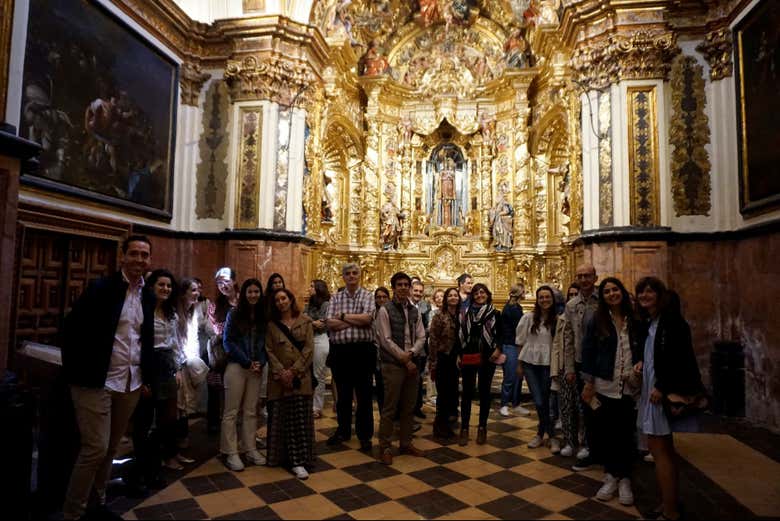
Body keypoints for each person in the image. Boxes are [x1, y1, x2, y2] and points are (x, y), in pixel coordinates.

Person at [61, 235, 154, 520]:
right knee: (95, 448)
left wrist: (146, 377)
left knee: (111, 448)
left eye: (144, 255)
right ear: (123, 256)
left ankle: (97, 504)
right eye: (134, 253)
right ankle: (73, 512)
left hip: (130, 382)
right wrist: (77, 371)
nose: (139, 259)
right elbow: (72, 330)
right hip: (96, 380)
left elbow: (144, 339)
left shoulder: (147, 296)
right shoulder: (102, 288)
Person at [636, 279, 705, 521]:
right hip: (652, 390)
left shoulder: (672, 322)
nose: (644, 295)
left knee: (660, 451)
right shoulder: (652, 322)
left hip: (659, 393)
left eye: (649, 291)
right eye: (640, 292)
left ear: (660, 295)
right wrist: (641, 363)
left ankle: (671, 511)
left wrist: (661, 386)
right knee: (662, 450)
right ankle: (668, 501)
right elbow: (654, 355)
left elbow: (680, 358)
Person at [581, 277, 643, 506]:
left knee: (625, 433)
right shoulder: (596, 320)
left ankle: (624, 479)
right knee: (607, 433)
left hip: (629, 384)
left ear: (622, 292)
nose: (611, 294)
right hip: (605, 384)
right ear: (602, 296)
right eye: (606, 291)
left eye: (615, 290)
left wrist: (640, 362)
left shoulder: (635, 319)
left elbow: (642, 346)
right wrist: (588, 381)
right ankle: (610, 476)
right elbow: (588, 351)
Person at [131, 270, 186, 493]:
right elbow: (137, 344)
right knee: (144, 422)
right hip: (148, 365)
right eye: (161, 285)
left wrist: (178, 368)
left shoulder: (170, 313)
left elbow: (174, 343)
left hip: (167, 366)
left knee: (167, 420)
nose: (165, 289)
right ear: (152, 286)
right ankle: (141, 471)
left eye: (169, 286)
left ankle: (155, 464)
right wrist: (142, 378)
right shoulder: (143, 311)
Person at [376, 272, 428, 465]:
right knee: (390, 408)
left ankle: (406, 443)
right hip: (393, 364)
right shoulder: (385, 310)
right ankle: (385, 446)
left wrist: (412, 353)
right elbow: (385, 339)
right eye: (400, 284)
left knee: (409, 407)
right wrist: (404, 358)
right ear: (394, 287)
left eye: (406, 284)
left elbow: (422, 336)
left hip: (412, 363)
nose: (404, 287)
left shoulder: (415, 310)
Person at [326, 263, 376, 451]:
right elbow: (330, 323)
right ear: (343, 277)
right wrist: (356, 320)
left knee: (364, 395)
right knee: (343, 395)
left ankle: (365, 435)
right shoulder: (335, 297)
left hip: (363, 351)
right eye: (348, 273)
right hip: (341, 352)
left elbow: (368, 319)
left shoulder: (367, 296)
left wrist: (342, 316)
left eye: (355, 273)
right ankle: (343, 430)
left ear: (359, 275)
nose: (352, 276)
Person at [266, 289, 316, 480]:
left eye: (283, 298)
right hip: (279, 381)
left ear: (290, 299)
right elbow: (269, 350)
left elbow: (309, 349)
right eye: (277, 300)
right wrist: (282, 372)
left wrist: (294, 371)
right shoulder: (271, 325)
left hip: (300, 378)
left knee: (300, 419)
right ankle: (281, 457)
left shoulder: (305, 321)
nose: (281, 302)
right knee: (281, 418)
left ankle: (300, 460)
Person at [220, 279, 268, 472]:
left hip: (256, 368)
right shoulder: (234, 314)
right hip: (237, 366)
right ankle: (230, 451)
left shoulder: (263, 316)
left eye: (256, 291)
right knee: (231, 411)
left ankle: (250, 448)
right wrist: (246, 361)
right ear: (244, 294)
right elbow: (228, 342)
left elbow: (266, 343)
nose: (253, 295)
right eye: (250, 291)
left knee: (250, 411)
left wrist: (260, 362)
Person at [563, 264, 600, 468]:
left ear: (595, 278)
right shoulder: (571, 305)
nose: (584, 279)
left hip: (602, 363)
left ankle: (604, 449)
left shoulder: (603, 300)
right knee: (586, 407)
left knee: (602, 407)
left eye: (587, 276)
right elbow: (568, 338)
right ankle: (590, 447)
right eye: (580, 276)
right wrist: (569, 368)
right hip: (580, 362)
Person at [458, 283, 503, 446]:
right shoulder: (464, 313)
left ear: (487, 294)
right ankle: (464, 428)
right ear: (472, 296)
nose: (479, 295)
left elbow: (501, 334)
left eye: (482, 292)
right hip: (469, 354)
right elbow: (459, 334)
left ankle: (482, 428)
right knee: (467, 392)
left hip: (487, 356)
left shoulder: (495, 313)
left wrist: (498, 349)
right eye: (476, 293)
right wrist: (459, 354)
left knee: (485, 392)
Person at [516, 286, 557, 450]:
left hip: (548, 364)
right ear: (537, 300)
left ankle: (543, 434)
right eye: (541, 297)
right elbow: (520, 341)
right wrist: (519, 365)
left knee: (546, 400)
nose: (544, 300)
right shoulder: (528, 318)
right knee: (539, 401)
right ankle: (550, 435)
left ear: (552, 299)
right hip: (529, 363)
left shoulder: (557, 319)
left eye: (547, 297)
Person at [206, 267, 238, 434]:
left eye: (226, 281)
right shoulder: (215, 305)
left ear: (234, 281)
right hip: (221, 352)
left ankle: (235, 424)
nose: (223, 285)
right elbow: (216, 329)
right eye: (219, 282)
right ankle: (214, 422)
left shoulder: (243, 301)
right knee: (216, 386)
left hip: (241, 351)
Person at [551, 283, 580, 457]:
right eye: (571, 294)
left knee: (582, 407)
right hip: (565, 366)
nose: (573, 297)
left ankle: (585, 442)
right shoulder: (562, 317)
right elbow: (557, 344)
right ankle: (570, 441)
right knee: (566, 406)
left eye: (576, 294)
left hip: (583, 366)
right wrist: (555, 370)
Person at [429, 287, 461, 440]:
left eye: (456, 295)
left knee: (452, 392)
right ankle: (439, 426)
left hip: (456, 358)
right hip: (443, 357)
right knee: (443, 393)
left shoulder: (461, 315)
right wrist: (433, 361)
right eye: (450, 295)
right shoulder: (439, 315)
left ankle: (448, 422)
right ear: (446, 299)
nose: (453, 297)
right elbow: (433, 339)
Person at [499, 285, 528, 417]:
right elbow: (518, 328)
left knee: (518, 376)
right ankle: (504, 404)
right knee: (510, 376)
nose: (525, 293)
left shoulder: (517, 307)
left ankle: (516, 403)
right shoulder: (511, 308)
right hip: (510, 344)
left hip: (516, 344)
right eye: (524, 291)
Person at [303, 280, 331, 419]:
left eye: (312, 286)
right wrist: (312, 322)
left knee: (318, 375)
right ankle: (308, 404)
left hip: (320, 339)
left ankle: (317, 406)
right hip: (308, 339)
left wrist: (309, 321)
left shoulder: (326, 304)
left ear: (319, 288)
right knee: (307, 374)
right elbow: (301, 321)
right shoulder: (308, 305)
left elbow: (322, 324)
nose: (309, 288)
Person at [410, 279, 431, 419]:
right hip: (407, 347)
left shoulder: (424, 306)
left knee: (418, 379)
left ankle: (417, 407)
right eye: (415, 291)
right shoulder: (406, 305)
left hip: (421, 348)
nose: (418, 293)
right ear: (410, 291)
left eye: (420, 291)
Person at [372, 287, 391, 411]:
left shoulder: (391, 312)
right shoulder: (372, 313)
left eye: (384, 297)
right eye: (379, 297)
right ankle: (382, 411)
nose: (381, 299)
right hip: (375, 352)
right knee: (380, 385)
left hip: (389, 353)